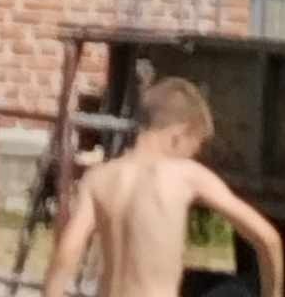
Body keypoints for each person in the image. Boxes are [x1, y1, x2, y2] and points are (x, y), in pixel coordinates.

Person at [44, 77, 281, 297]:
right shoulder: (185, 175)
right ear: (179, 134)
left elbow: (68, 250)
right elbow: (267, 238)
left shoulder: (100, 177)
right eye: (194, 146)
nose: (193, 155)